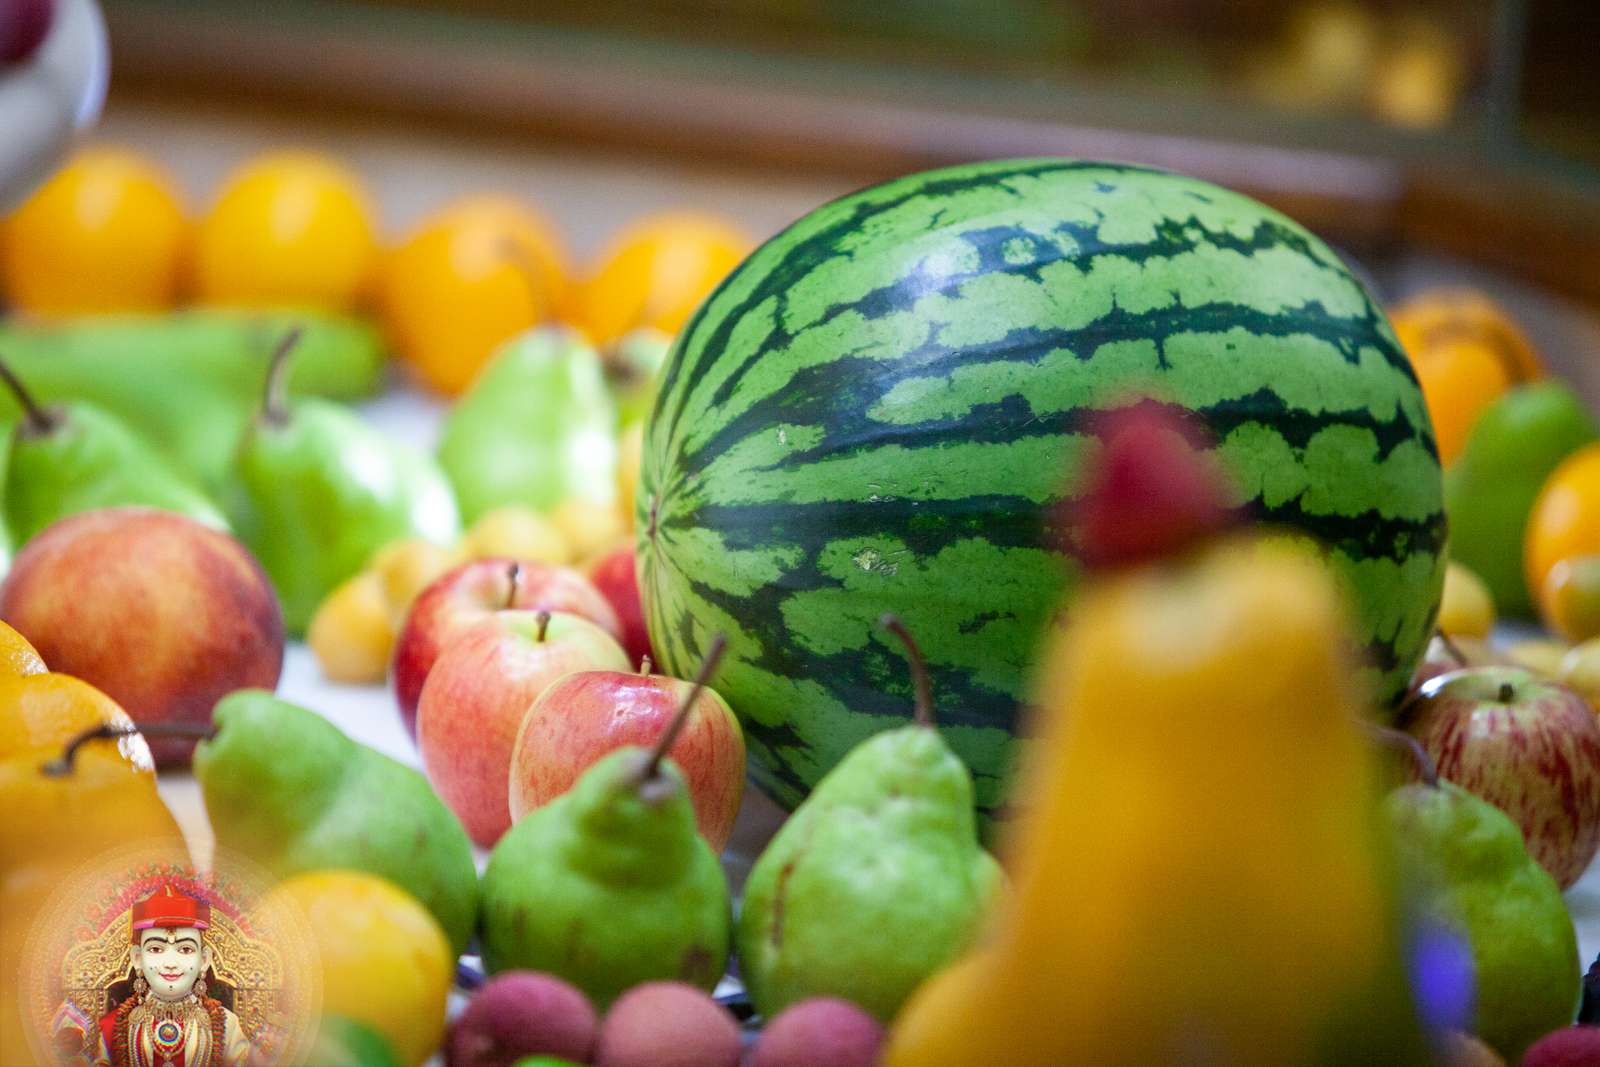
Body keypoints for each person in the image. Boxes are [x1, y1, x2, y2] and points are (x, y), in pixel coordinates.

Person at [55, 884, 260, 1067]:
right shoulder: (112, 1027)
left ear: (204, 960)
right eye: (155, 949)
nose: (170, 963)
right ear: (137, 958)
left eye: (186, 949)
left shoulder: (226, 1024)